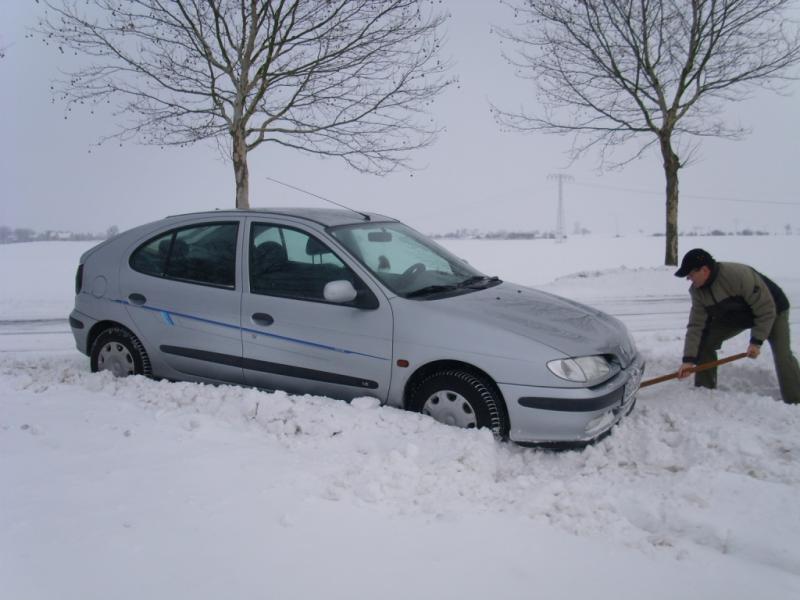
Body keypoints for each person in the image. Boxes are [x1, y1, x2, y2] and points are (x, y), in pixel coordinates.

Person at [674, 248, 800, 404]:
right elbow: (696, 326)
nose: (689, 279)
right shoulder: (698, 292)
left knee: (782, 355)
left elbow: (766, 309)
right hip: (736, 315)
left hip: (773, 310)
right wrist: (688, 360)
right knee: (704, 342)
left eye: (691, 275)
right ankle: (704, 390)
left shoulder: (737, 276)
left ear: (704, 270)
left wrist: (756, 342)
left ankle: (796, 399)